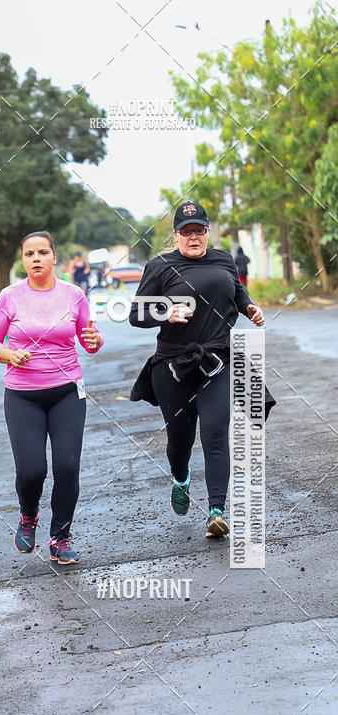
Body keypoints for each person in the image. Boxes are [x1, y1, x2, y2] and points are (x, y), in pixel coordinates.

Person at [129, 202, 274, 538]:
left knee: (215, 431)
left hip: (217, 361)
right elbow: (137, 314)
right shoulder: (160, 266)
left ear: (207, 232)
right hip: (173, 366)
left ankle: (216, 511)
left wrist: (249, 307)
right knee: (180, 441)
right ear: (176, 235)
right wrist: (165, 312)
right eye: (186, 231)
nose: (193, 237)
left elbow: (237, 292)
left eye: (199, 230)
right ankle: (181, 478)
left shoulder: (223, 259)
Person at [0, 231, 103, 564]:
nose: (36, 258)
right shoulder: (10, 296)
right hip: (23, 395)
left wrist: (95, 340)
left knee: (67, 467)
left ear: (54, 258)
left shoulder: (73, 294)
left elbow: (89, 339)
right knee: (31, 470)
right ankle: (28, 515)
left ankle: (60, 538)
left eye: (42, 252)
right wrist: (8, 354)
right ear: (23, 259)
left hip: (67, 391)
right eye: (29, 253)